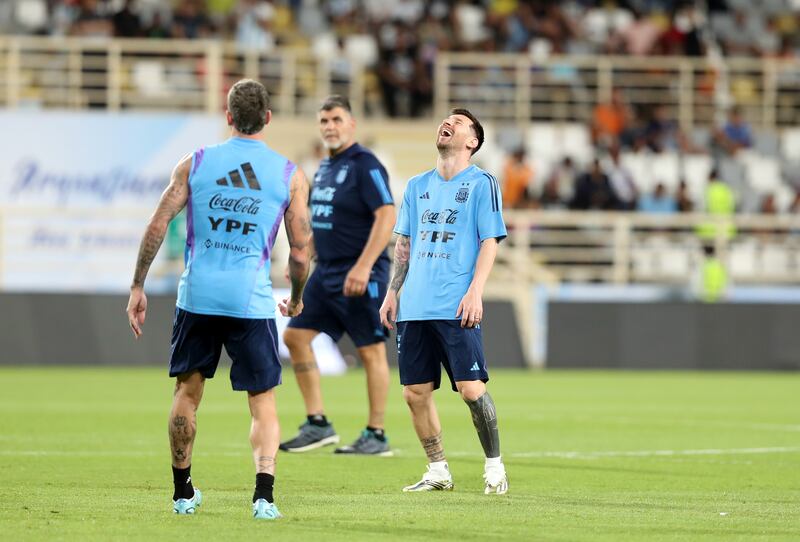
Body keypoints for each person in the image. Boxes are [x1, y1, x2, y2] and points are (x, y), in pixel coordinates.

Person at [125, 79, 311, 520]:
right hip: (251, 301)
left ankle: (182, 492)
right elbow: (301, 253)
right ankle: (263, 496)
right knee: (262, 400)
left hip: (198, 297)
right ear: (267, 118)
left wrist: (138, 285)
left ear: (228, 116)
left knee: (187, 393)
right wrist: (298, 297)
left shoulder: (196, 163)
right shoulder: (288, 174)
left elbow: (156, 225)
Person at [380, 108, 509, 495]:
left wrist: (475, 290)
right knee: (414, 393)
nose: (447, 122)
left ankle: (494, 467)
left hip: (455, 304)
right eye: (445, 118)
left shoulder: (482, 183)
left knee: (471, 389)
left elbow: (489, 240)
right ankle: (437, 470)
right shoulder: (418, 186)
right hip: (414, 306)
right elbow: (404, 243)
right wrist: (392, 291)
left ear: (472, 141)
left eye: (459, 121)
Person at [280, 95, 396, 455]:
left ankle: (376, 434)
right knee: (295, 338)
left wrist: (363, 266)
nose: (330, 126)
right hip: (326, 273)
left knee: (370, 351)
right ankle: (318, 423)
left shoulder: (366, 164)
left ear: (351, 124)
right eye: (324, 121)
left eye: (336, 119)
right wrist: (303, 253)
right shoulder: (325, 168)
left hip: (361, 272)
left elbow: (387, 215)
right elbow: (326, 222)